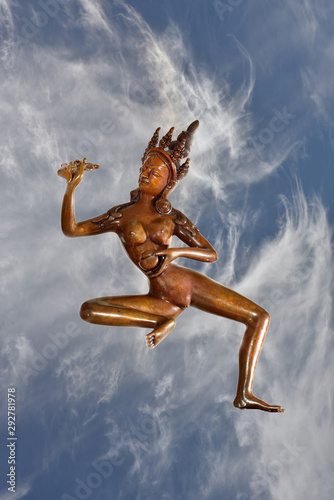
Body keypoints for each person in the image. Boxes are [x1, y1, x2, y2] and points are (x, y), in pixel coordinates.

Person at [60, 121, 284, 412]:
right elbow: (72, 229)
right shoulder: (121, 216)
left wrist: (174, 253)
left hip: (185, 284)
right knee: (88, 310)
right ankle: (163, 322)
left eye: (155, 172)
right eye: (145, 168)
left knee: (259, 317)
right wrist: (71, 187)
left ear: (167, 182)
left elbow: (210, 253)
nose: (146, 173)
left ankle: (245, 393)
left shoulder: (172, 217)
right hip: (160, 301)